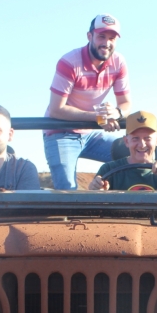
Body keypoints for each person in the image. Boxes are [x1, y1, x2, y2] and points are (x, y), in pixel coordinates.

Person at [43, 14, 131, 190]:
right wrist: (97, 117)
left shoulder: (119, 62)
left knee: (133, 155)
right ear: (89, 36)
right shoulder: (69, 62)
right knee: (67, 190)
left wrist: (117, 113)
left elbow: (126, 103)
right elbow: (56, 110)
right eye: (101, 36)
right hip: (61, 133)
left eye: (112, 38)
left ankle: (128, 206)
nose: (106, 43)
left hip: (91, 134)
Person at [89, 111, 157, 191]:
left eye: (147, 138)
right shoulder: (108, 170)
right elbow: (95, 201)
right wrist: (96, 189)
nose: (142, 145)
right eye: (135, 138)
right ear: (126, 141)